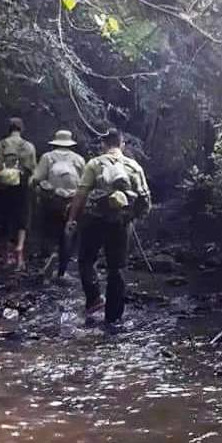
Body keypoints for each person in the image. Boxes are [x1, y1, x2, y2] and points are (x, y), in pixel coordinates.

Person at [65, 129, 151, 323]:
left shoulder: (95, 164)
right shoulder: (134, 166)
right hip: (121, 222)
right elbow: (145, 198)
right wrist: (133, 216)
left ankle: (94, 299)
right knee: (117, 268)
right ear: (122, 145)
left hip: (94, 220)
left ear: (103, 145)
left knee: (86, 260)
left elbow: (81, 194)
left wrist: (72, 219)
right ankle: (113, 319)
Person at [32, 130, 87, 280]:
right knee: (68, 235)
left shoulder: (47, 157)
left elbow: (36, 179)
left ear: (55, 142)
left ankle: (49, 258)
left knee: (49, 232)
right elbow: (85, 184)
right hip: (73, 204)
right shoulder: (79, 160)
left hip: (52, 201)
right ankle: (62, 271)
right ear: (70, 144)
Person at [0, 117, 37, 271]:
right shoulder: (28, 146)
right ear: (21, 129)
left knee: (4, 217)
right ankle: (20, 248)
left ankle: (5, 256)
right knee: (22, 217)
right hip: (22, 186)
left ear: (9, 129)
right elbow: (33, 169)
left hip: (3, 185)